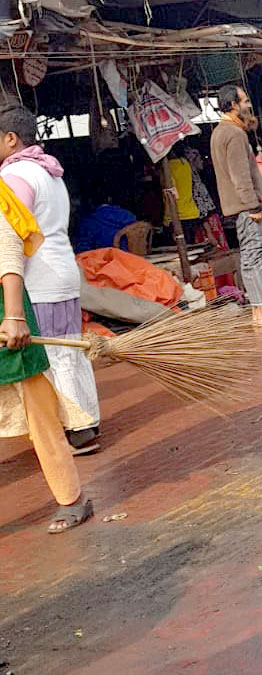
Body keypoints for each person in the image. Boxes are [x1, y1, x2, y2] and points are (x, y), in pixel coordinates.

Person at [0, 104, 101, 455]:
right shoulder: (49, 172)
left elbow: (13, 233)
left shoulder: (15, 177)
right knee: (69, 348)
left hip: (39, 277)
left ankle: (77, 429)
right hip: (62, 270)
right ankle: (86, 421)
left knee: (54, 355)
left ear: (10, 138)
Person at [0, 174, 92, 532]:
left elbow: (7, 254)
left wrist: (14, 315)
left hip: (8, 320)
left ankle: (72, 499)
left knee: (40, 416)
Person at [210, 84, 262, 327]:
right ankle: (261, 312)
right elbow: (240, 176)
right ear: (233, 105)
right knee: (254, 259)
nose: (248, 104)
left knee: (250, 259)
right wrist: (253, 206)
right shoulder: (233, 134)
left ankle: (259, 310)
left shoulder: (220, 132)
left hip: (241, 209)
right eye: (244, 101)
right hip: (247, 210)